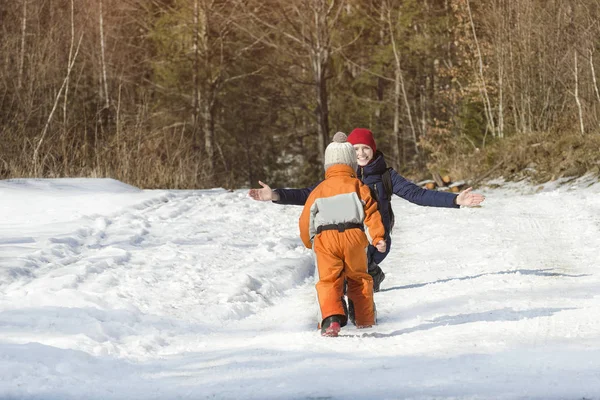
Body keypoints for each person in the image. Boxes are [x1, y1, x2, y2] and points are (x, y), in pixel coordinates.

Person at [249, 128, 486, 292]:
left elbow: (418, 194)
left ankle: (371, 275)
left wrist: (455, 200)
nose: (360, 153)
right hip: (346, 238)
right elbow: (309, 195)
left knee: (357, 277)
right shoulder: (341, 177)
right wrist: (276, 195)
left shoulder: (386, 176)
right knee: (342, 277)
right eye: (355, 149)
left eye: (365, 148)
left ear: (373, 150)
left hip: (375, 240)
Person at [299, 132, 387, 337]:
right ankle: (364, 319)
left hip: (325, 240)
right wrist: (378, 237)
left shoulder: (319, 190)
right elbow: (372, 213)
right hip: (354, 237)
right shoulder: (358, 186)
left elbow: (305, 220)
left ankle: (331, 320)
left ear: (328, 165)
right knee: (358, 277)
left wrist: (309, 241)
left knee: (329, 280)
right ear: (351, 164)